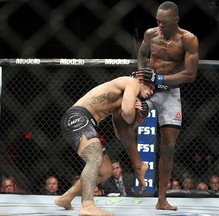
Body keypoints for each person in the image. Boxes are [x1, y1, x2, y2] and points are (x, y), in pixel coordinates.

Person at [54, 75, 154, 216]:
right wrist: (135, 112)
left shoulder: (121, 101)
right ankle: (87, 205)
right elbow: (127, 112)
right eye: (151, 87)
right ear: (142, 81)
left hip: (87, 123)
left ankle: (66, 198)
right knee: (94, 156)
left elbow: (121, 133)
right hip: (77, 117)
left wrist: (139, 118)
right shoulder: (132, 82)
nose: (151, 92)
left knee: (105, 170)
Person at [134, 1, 199, 211]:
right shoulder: (150, 35)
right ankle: (135, 165)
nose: (160, 25)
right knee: (124, 118)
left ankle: (161, 199)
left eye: (164, 22)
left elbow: (190, 74)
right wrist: (144, 77)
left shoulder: (188, 40)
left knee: (168, 147)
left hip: (170, 93)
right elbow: (142, 55)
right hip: (149, 90)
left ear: (176, 20)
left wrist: (159, 77)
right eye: (157, 21)